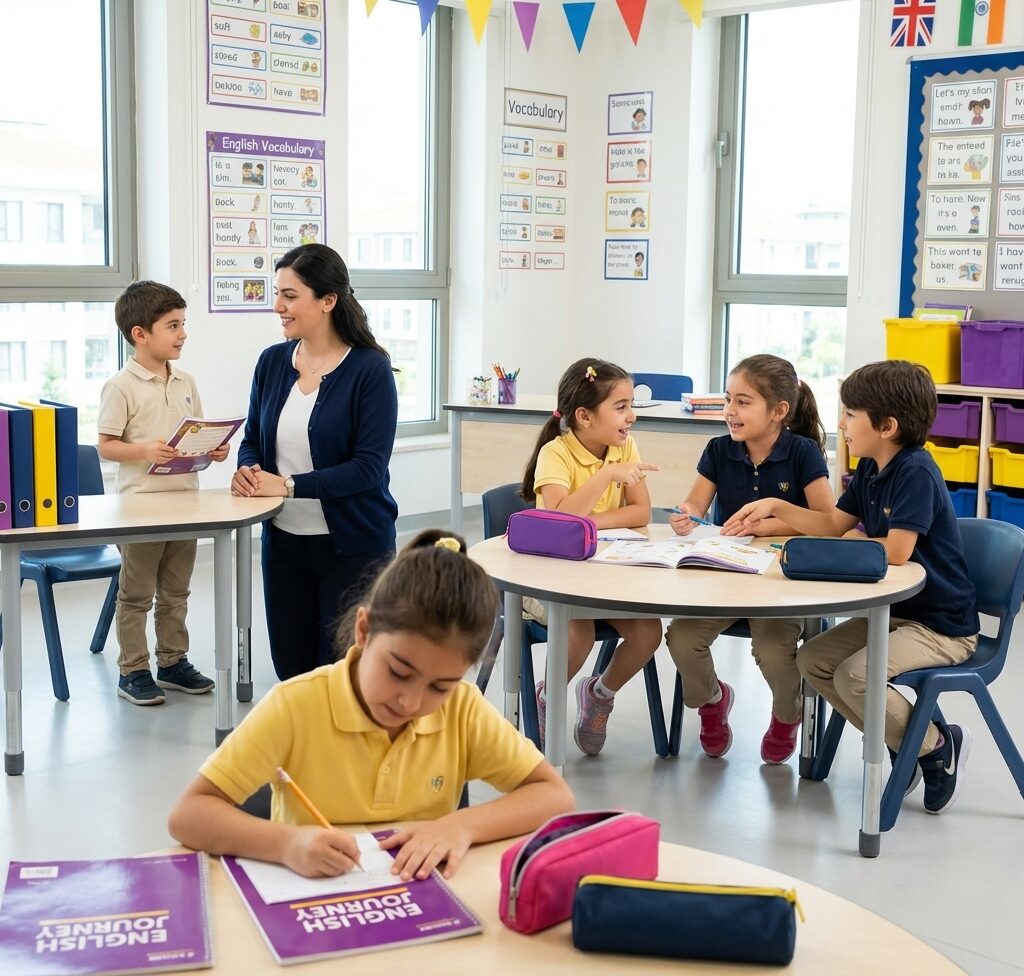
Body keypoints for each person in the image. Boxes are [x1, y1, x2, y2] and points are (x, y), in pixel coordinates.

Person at [168, 531, 574, 881]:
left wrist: (462, 826)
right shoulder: (295, 705)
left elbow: (554, 797)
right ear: (364, 631)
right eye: (398, 672)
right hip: (315, 903)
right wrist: (286, 844)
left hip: (416, 902)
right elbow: (189, 815)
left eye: (440, 686)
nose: (411, 702)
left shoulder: (462, 709)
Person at [726, 360, 979, 814]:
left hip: (941, 626)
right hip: (897, 613)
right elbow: (832, 524)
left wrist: (858, 541)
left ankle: (935, 746)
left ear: (886, 427)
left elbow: (897, 550)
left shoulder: (916, 472)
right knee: (813, 660)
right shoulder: (869, 468)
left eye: (849, 414)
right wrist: (776, 506)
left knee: (855, 677)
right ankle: (908, 742)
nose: (840, 424)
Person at [232, 243, 399, 681]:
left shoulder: (370, 370)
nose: (278, 306)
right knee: (292, 669)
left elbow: (369, 468)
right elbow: (253, 440)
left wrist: (287, 485)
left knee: (345, 673)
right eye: (277, 294)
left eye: (290, 296)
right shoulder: (272, 362)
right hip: (284, 545)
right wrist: (249, 471)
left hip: (355, 547)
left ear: (328, 301)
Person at [664, 355, 833, 764]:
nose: (730, 411)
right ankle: (713, 700)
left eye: (743, 402)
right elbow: (696, 504)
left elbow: (827, 521)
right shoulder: (719, 449)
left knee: (773, 651)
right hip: (727, 575)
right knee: (682, 639)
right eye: (728, 400)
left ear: (778, 411)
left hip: (781, 581)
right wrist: (687, 515)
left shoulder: (804, 453)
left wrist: (769, 525)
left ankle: (787, 714)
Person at [519, 358, 663, 756]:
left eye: (631, 405)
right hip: (547, 580)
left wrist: (588, 525)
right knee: (578, 634)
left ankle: (599, 693)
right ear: (584, 416)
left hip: (603, 578)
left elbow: (641, 512)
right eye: (621, 407)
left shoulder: (625, 445)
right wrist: (605, 477)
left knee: (648, 633)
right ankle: (548, 697)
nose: (631, 416)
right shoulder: (555, 453)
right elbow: (559, 520)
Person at [98, 281, 229, 705]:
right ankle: (133, 670)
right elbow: (106, 445)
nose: (182, 334)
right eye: (173, 326)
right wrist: (144, 451)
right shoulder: (121, 386)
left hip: (185, 504)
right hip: (140, 508)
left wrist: (214, 448)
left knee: (176, 592)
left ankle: (172, 662)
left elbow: (195, 433)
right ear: (140, 333)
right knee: (136, 595)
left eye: (183, 324)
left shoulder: (186, 380)